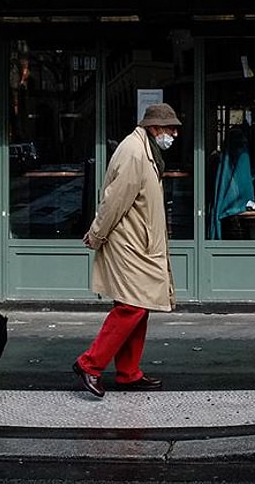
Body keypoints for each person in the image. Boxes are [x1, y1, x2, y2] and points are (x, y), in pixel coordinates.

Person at [73, 103, 181, 397]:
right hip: (129, 244)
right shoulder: (135, 152)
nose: (174, 134)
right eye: (170, 128)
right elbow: (114, 200)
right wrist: (96, 234)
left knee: (139, 306)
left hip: (139, 242)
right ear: (154, 128)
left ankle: (128, 372)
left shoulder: (146, 150)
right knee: (131, 307)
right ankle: (89, 364)